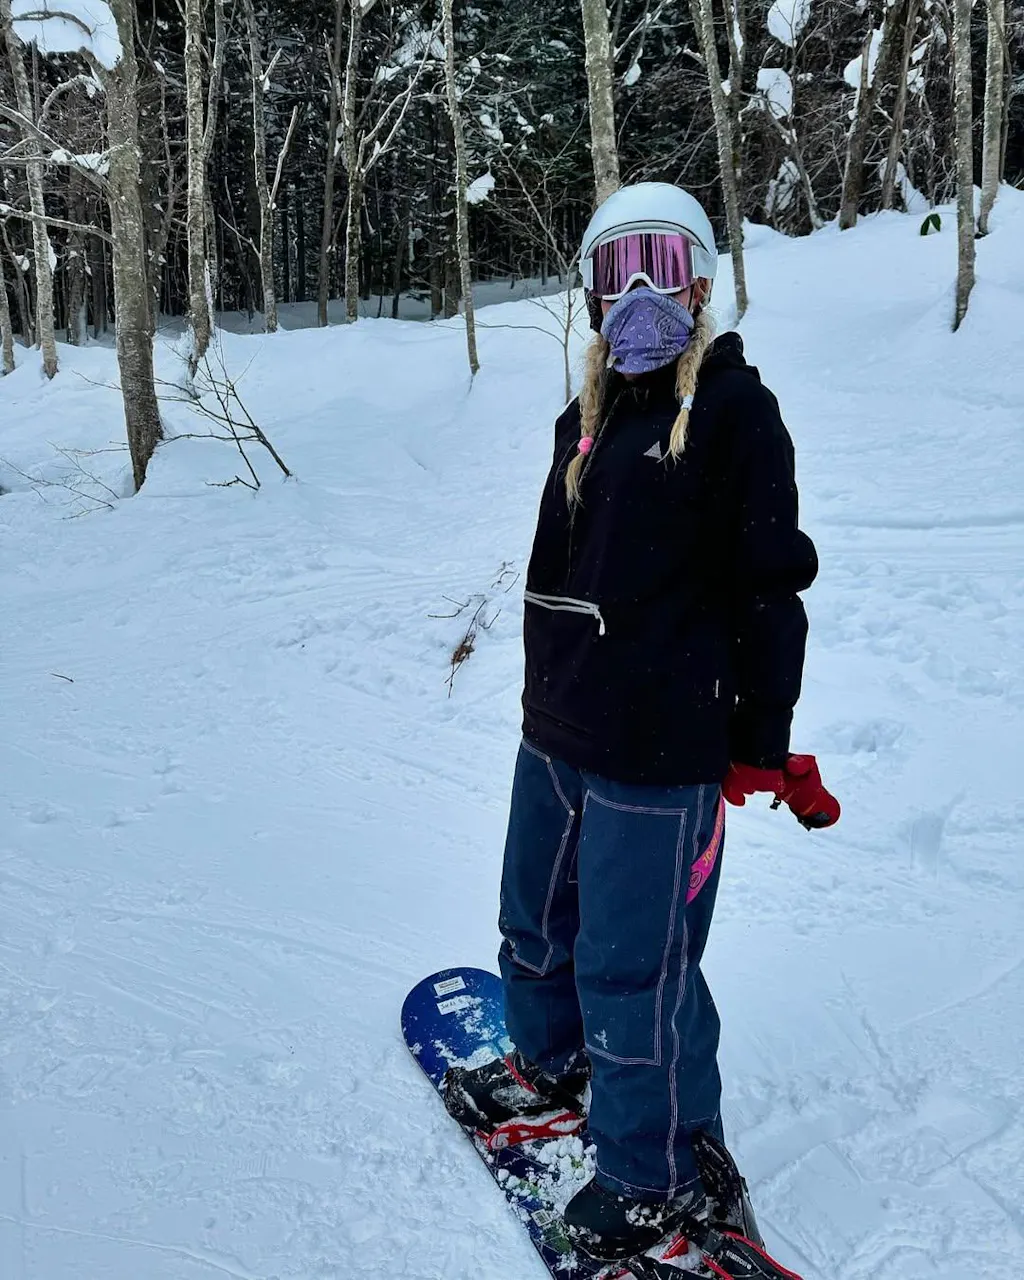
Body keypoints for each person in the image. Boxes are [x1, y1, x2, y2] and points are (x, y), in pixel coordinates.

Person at [442, 183, 839, 1273]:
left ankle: (651, 1175)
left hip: (661, 753)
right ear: (591, 292)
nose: (642, 295)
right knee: (535, 923)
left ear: (701, 282)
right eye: (619, 272)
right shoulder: (586, 414)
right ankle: (550, 1064)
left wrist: (760, 737)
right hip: (558, 729)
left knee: (635, 966)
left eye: (663, 265)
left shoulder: (734, 411)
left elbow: (769, 589)